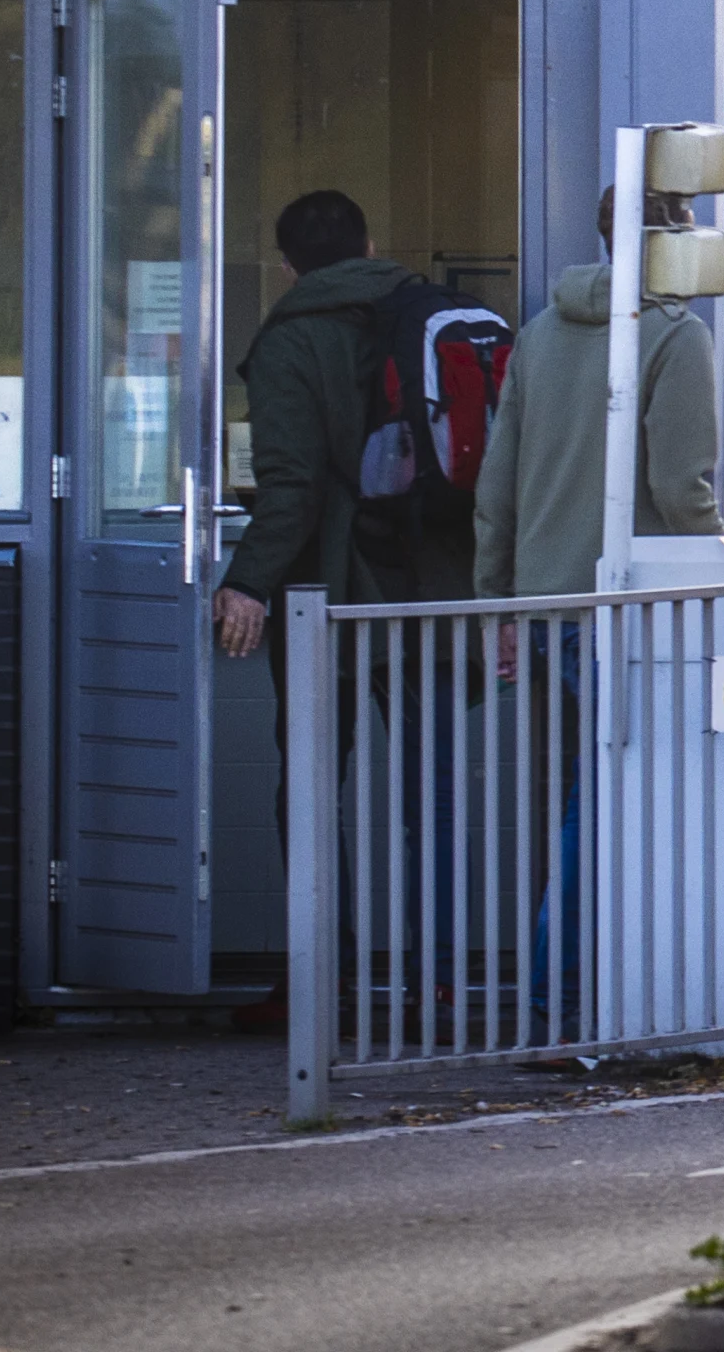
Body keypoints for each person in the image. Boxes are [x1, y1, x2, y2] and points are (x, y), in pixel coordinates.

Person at [211, 189, 429, 1032]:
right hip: (424, 589)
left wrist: (247, 582)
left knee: (307, 783)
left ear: (287, 266)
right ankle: (433, 975)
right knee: (431, 786)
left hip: (328, 597)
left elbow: (292, 488)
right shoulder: (421, 313)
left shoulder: (289, 342)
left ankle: (319, 981)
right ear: (371, 241)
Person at [475, 187, 724, 614]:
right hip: (636, 603)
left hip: (539, 604)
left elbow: (496, 486)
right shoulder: (678, 334)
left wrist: (494, 606)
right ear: (675, 244)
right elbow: (678, 487)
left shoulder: (537, 334)